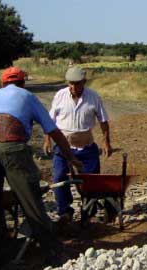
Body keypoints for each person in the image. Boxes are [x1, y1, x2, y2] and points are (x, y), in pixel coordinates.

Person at [0, 67, 82, 270]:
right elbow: (53, 130)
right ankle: (54, 253)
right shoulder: (27, 96)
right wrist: (71, 156)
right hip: (12, 148)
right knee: (31, 202)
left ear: (2, 84)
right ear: (22, 83)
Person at [44, 66, 112, 222]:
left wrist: (106, 142)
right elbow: (50, 120)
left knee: (90, 180)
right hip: (63, 147)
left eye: (77, 83)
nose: (73, 87)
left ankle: (89, 210)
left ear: (84, 82)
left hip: (86, 146)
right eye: (71, 83)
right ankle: (64, 211)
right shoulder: (60, 96)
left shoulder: (94, 97)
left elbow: (103, 121)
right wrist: (47, 140)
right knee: (60, 178)